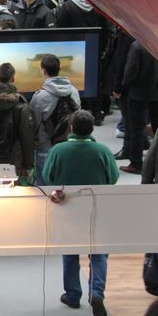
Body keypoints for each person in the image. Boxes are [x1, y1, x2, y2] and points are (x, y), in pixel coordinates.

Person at [43, 110, 118, 316]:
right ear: (92, 128)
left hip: (68, 210)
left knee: (70, 252)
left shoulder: (58, 150)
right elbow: (113, 178)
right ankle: (96, 293)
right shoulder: (102, 151)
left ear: (71, 128)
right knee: (98, 252)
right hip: (97, 209)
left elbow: (48, 177)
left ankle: (73, 295)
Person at [30, 54, 81, 185]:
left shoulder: (39, 96)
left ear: (43, 71)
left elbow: (34, 126)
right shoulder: (74, 91)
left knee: (43, 189)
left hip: (45, 148)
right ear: (60, 68)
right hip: (69, 146)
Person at [120, 41, 158, 174]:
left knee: (136, 129)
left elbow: (131, 70)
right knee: (157, 129)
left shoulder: (137, 46)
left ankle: (136, 163)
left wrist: (124, 86)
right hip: (156, 92)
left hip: (138, 92)